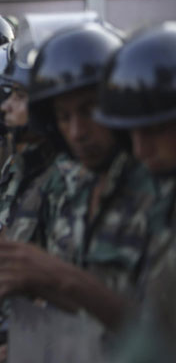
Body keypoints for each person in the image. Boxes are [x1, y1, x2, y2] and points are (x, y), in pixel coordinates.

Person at [0, 23, 159, 346]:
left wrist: (60, 278)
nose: (77, 131)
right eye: (63, 116)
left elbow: (160, 330)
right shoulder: (79, 185)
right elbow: (83, 309)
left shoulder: (155, 192)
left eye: (89, 110)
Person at [93, 22, 176, 362]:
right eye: (131, 134)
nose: (140, 150)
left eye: (155, 130)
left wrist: (66, 283)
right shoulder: (159, 195)